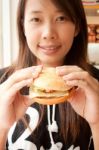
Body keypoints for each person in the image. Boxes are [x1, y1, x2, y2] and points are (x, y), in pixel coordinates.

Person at [0, 0, 99, 149]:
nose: (48, 34)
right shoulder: (3, 84)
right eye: (36, 19)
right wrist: (1, 128)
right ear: (23, 26)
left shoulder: (95, 85)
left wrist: (97, 123)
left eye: (61, 18)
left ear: (77, 26)